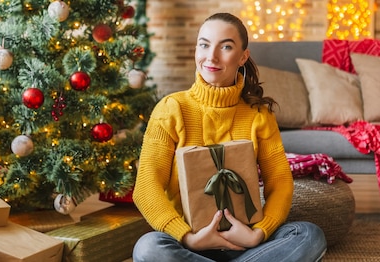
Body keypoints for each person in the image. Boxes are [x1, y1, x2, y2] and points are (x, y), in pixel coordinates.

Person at [132, 12, 327, 262]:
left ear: (243, 56)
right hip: (190, 244)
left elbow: (280, 181)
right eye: (204, 44)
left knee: (309, 235)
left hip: (248, 245)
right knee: (149, 247)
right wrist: (188, 237)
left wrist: (258, 234)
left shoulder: (259, 116)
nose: (211, 57)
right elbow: (146, 187)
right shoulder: (171, 109)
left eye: (225, 46)